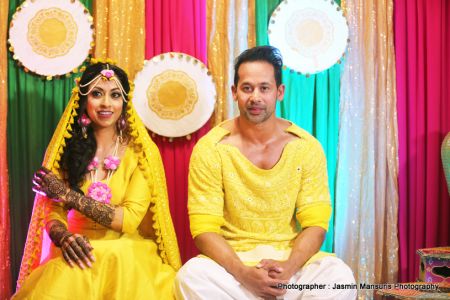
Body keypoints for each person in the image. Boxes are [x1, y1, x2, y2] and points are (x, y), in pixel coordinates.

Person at [175, 46, 356, 299]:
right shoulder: (211, 148)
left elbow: (315, 223)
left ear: (279, 92)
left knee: (340, 277)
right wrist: (244, 273)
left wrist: (288, 269)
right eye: (247, 88)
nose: (255, 97)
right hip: (233, 270)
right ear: (234, 92)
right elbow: (204, 229)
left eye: (264, 88)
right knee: (191, 276)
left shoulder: (306, 147)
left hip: (291, 268)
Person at [13, 59, 181, 299]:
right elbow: (53, 212)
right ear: (83, 100)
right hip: (77, 248)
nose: (106, 103)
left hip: (124, 256)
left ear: (124, 102)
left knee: (119, 255)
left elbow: (128, 220)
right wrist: (65, 237)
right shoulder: (66, 150)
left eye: (114, 95)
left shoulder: (141, 154)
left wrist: (66, 194)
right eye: (96, 94)